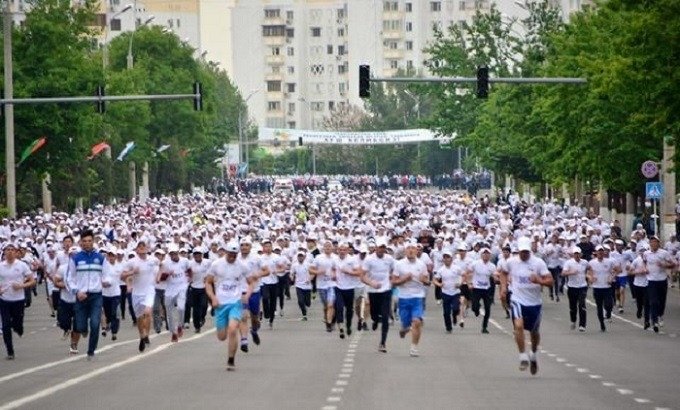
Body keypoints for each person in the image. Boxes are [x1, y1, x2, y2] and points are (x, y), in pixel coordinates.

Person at [499, 237, 553, 376]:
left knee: (534, 333)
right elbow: (503, 273)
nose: (524, 254)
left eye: (526, 252)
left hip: (534, 303)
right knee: (518, 326)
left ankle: (533, 355)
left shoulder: (538, 263)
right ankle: (523, 356)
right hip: (517, 299)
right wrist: (504, 288)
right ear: (518, 251)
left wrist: (539, 280)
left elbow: (550, 281)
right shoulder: (511, 262)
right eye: (521, 252)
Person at [205, 242, 252, 371]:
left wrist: (247, 294)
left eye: (235, 255)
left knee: (232, 329)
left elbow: (251, 282)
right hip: (220, 303)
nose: (232, 257)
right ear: (225, 252)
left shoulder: (242, 266)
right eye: (230, 254)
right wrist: (213, 298)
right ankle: (225, 333)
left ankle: (231, 360)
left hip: (235, 302)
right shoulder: (216, 265)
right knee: (222, 337)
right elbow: (208, 283)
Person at [66, 230, 106, 360]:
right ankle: (83, 329)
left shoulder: (100, 258)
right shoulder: (75, 258)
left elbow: (108, 275)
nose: (87, 243)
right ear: (81, 243)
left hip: (96, 296)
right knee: (80, 326)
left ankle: (91, 351)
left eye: (90, 241)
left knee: (95, 324)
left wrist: (107, 282)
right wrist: (76, 291)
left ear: (93, 241)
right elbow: (69, 279)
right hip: (81, 296)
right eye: (84, 241)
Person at [391, 241, 429, 357]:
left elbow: (427, 281)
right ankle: (404, 329)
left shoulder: (422, 264)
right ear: (405, 251)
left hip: (417, 297)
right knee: (406, 326)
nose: (411, 250)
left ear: (417, 251)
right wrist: (404, 279)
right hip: (403, 298)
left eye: (413, 248)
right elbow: (394, 282)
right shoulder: (399, 264)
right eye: (408, 248)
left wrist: (424, 280)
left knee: (417, 322)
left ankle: (414, 347)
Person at [121, 241, 160, 352]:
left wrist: (158, 276)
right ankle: (142, 336)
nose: (142, 249)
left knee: (147, 313)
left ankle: (146, 335)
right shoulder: (131, 262)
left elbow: (162, 265)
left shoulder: (153, 260)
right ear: (137, 250)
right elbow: (122, 276)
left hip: (149, 290)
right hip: (137, 293)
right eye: (140, 247)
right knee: (139, 318)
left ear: (147, 249)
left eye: (144, 247)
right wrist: (132, 272)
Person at [0, 243, 36, 360]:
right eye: (7, 250)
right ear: (4, 252)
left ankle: (18, 328)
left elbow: (32, 280)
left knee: (17, 324)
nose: (10, 252)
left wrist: (21, 286)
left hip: (18, 300)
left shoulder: (22, 265)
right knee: (5, 326)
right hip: (4, 300)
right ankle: (10, 351)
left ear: (16, 252)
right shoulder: (1, 266)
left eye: (12, 250)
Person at [361, 240, 394, 352]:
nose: (381, 249)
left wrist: (392, 279)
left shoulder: (389, 259)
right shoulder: (369, 259)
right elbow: (362, 276)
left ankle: (383, 343)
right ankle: (375, 320)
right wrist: (371, 283)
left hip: (386, 289)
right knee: (374, 314)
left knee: (385, 316)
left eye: (383, 247)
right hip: (373, 290)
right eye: (380, 247)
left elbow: (394, 271)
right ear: (375, 248)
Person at [158, 245, 190, 342]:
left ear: (178, 253)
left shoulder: (185, 261)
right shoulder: (165, 263)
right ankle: (173, 332)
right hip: (170, 289)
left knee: (181, 307)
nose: (173, 256)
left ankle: (180, 325)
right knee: (169, 312)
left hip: (181, 287)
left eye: (175, 253)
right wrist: (168, 274)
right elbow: (160, 279)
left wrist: (190, 279)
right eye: (171, 254)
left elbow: (189, 270)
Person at [644, 236, 675, 333]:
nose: (653, 244)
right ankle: (655, 321)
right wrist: (645, 269)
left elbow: (673, 264)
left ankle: (660, 314)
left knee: (661, 301)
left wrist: (664, 265)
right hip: (651, 280)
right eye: (651, 242)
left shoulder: (664, 253)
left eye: (655, 242)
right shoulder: (646, 253)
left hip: (662, 280)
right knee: (653, 301)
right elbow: (645, 262)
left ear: (658, 243)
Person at [309, 240, 338, 332]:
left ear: (332, 248)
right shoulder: (318, 258)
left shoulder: (336, 258)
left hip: (332, 285)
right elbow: (311, 270)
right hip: (321, 285)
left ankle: (329, 323)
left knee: (330, 304)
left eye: (329, 246)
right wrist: (318, 272)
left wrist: (335, 274)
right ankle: (328, 319)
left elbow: (340, 270)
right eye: (326, 246)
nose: (328, 248)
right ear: (323, 248)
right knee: (326, 306)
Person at [334, 242, 361, 339]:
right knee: (339, 307)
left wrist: (348, 272)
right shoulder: (334, 259)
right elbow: (332, 269)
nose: (342, 251)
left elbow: (359, 272)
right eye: (340, 250)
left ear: (347, 250)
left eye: (344, 250)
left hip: (349, 288)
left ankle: (348, 325)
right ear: (338, 250)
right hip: (338, 287)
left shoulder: (352, 260)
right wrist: (333, 274)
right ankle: (341, 328)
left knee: (349, 310)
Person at [432, 249, 464, 333]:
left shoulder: (457, 268)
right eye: (445, 257)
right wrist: (439, 284)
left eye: (448, 257)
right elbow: (435, 280)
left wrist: (460, 283)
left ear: (451, 258)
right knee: (446, 312)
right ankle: (448, 327)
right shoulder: (441, 270)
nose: (446, 259)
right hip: (445, 292)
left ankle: (454, 316)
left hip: (455, 292)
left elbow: (463, 276)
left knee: (456, 309)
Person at [466, 247, 496, 334]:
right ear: (481, 255)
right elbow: (467, 273)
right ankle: (476, 309)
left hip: (487, 289)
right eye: (484, 253)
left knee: (487, 309)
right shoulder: (475, 264)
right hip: (476, 288)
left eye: (487, 254)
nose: (486, 255)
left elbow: (495, 275)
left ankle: (484, 327)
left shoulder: (492, 266)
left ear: (490, 255)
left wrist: (496, 278)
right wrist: (469, 283)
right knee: (474, 306)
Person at [561, 247, 589, 332]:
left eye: (578, 254)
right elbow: (563, 273)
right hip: (572, 287)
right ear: (573, 254)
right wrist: (571, 272)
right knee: (573, 307)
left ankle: (582, 325)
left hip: (582, 286)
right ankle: (573, 320)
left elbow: (590, 269)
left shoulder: (585, 262)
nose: (577, 255)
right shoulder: (568, 263)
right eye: (575, 254)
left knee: (582, 305)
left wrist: (590, 276)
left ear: (581, 254)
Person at [588, 245, 615, 332]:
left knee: (609, 304)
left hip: (606, 286)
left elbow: (617, 270)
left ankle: (608, 313)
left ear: (604, 252)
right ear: (596, 253)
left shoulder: (609, 262)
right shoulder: (592, 263)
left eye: (601, 251)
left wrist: (612, 277)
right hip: (597, 287)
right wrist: (590, 278)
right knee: (599, 307)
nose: (600, 253)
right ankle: (602, 324)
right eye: (598, 251)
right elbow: (587, 272)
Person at [101, 247, 123, 341]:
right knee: (107, 313)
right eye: (109, 255)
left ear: (115, 256)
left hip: (116, 293)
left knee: (115, 313)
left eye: (112, 255)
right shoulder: (104, 266)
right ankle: (108, 324)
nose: (111, 257)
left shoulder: (120, 266)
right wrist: (103, 283)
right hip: (105, 294)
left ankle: (114, 332)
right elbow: (99, 276)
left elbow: (124, 276)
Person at [187, 247, 211, 333]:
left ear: (202, 255)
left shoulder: (207, 262)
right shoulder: (190, 264)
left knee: (204, 305)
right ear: (193, 255)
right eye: (195, 254)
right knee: (196, 309)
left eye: (199, 254)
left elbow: (212, 271)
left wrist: (208, 277)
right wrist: (189, 277)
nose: (197, 256)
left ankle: (202, 318)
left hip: (204, 287)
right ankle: (197, 326)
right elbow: (186, 273)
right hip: (194, 288)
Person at [291, 250, 311, 320]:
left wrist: (309, 279)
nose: (300, 258)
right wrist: (292, 277)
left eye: (301, 256)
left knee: (308, 303)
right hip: (299, 285)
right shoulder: (294, 265)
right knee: (300, 301)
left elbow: (313, 273)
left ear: (304, 257)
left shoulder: (308, 264)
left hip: (307, 286)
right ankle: (304, 315)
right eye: (299, 256)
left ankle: (306, 305)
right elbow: (292, 273)